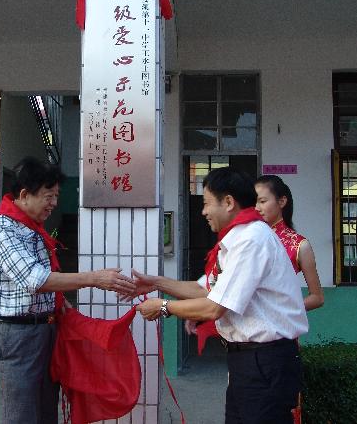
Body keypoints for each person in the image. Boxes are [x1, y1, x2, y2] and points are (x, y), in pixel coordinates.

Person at [134, 167, 309, 424]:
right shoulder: (239, 238)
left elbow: (215, 307)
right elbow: (206, 288)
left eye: (206, 203)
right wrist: (157, 283)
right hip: (250, 362)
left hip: (265, 362)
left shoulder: (251, 239)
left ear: (228, 202)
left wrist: (163, 307)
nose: (203, 212)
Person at [0, 156, 135, 424]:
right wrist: (94, 278)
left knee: (45, 410)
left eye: (56, 196)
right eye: (48, 196)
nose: (54, 203)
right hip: (15, 334)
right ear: (25, 195)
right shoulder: (1, 229)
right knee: (21, 414)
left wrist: (61, 303)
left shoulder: (32, 229)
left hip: (45, 329)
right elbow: (35, 279)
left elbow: (46, 283)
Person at [255, 174, 324, 310]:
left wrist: (284, 311)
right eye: (254, 202)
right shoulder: (247, 238)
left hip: (278, 326)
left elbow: (317, 297)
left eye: (262, 201)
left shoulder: (298, 245)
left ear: (281, 202)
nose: (257, 208)